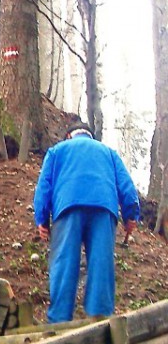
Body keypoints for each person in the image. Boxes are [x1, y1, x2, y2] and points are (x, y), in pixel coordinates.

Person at [33, 122, 140, 323]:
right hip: (103, 208)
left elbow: (44, 187)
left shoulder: (57, 151)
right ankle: (99, 319)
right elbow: (127, 187)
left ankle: (59, 321)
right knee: (101, 263)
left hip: (68, 207)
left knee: (65, 262)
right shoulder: (108, 153)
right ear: (90, 136)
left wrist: (42, 220)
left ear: (68, 136)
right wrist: (131, 216)